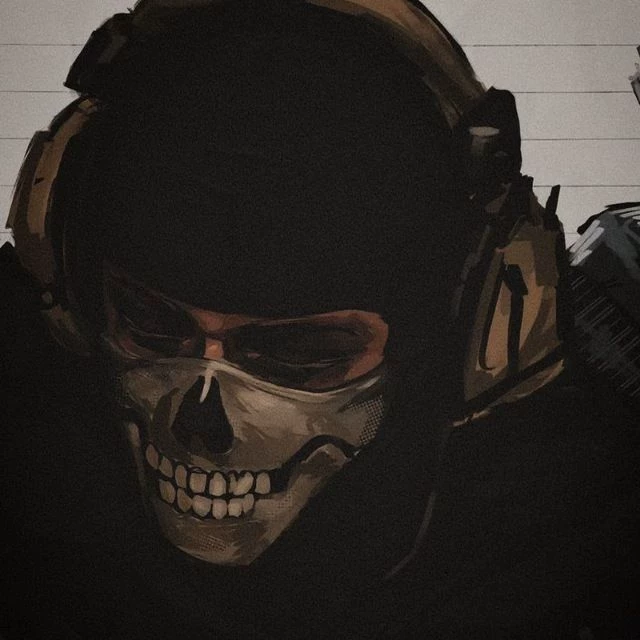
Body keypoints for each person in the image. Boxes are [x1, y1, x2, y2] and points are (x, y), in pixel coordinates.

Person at [1, 1, 639, 638]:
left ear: (477, 327)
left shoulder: (581, 528)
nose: (201, 423)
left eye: (300, 353)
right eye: (151, 324)